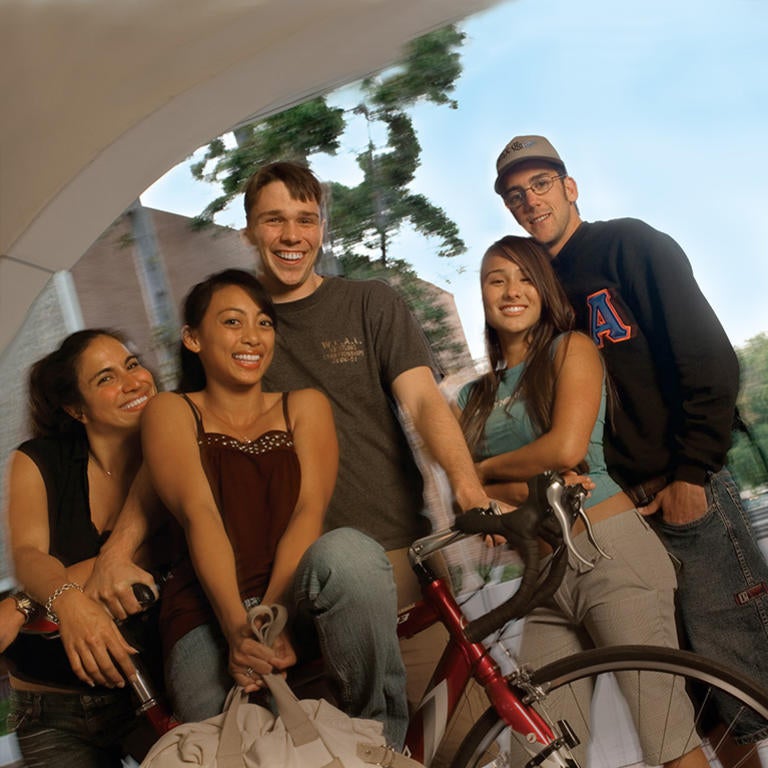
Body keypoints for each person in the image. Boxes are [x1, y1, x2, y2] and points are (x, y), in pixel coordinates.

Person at [492, 134, 768, 754]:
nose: (530, 200)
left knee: (748, 676)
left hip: (686, 494)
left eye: (540, 184)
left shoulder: (629, 244)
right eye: (516, 194)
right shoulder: (535, 289)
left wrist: (692, 473)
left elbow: (709, 358)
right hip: (618, 520)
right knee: (692, 701)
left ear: (569, 186)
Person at [239, 161, 492, 756]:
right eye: (274, 220)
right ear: (249, 230)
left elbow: (424, 400)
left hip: (399, 561)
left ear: (322, 228)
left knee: (463, 745)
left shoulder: (368, 304)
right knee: (354, 750)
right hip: (293, 583)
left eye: (306, 220)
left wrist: (467, 486)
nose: (293, 236)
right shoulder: (237, 329)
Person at [455, 235, 708, 768]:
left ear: (544, 290)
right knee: (539, 749)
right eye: (495, 279)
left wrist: (480, 469)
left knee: (665, 735)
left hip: (607, 551)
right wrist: (502, 482)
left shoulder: (572, 349)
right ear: (481, 294)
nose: (511, 291)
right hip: (541, 576)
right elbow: (478, 499)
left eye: (524, 277)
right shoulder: (471, 397)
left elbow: (566, 447)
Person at [139, 268, 409, 747]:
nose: (253, 337)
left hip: (295, 595)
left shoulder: (304, 405)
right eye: (232, 322)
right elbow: (201, 514)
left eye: (264, 323)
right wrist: (239, 631)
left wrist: (275, 613)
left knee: (350, 552)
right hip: (205, 610)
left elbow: (309, 510)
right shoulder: (170, 411)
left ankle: (380, 744)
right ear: (193, 338)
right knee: (224, 741)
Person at [2, 329, 160, 767]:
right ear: (76, 409)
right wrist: (68, 603)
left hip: (151, 690)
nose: (132, 382)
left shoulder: (174, 449)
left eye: (132, 364)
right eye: (105, 378)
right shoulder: (38, 459)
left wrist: (22, 604)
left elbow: (144, 555)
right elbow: (29, 556)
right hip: (51, 708)